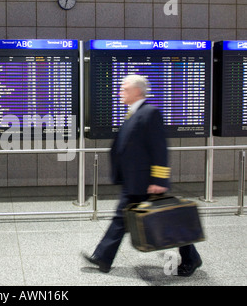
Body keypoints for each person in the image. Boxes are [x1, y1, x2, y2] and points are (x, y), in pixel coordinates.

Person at [82, 74, 202, 277]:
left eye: (125, 89)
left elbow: (159, 149)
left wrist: (158, 180)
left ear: (137, 91)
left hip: (147, 182)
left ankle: (192, 258)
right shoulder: (133, 113)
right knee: (120, 218)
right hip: (133, 181)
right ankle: (103, 257)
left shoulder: (150, 113)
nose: (121, 92)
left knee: (169, 220)